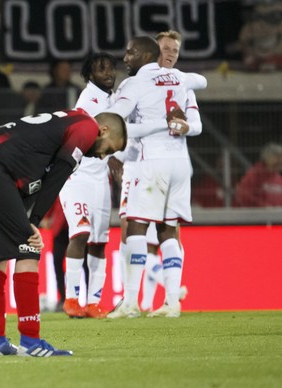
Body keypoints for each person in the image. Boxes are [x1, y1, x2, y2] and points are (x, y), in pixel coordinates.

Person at [0, 109, 127, 356]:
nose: (101, 156)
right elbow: (59, 175)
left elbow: (27, 177)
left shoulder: (62, 124)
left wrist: (27, 217)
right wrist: (33, 220)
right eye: (108, 149)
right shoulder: (87, 126)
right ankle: (30, 341)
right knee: (30, 247)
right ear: (104, 130)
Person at [105, 36, 205, 319]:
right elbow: (202, 84)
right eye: (167, 49)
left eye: (130, 52)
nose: (125, 58)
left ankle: (131, 302)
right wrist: (176, 125)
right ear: (157, 52)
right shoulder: (179, 79)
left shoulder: (135, 83)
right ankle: (172, 302)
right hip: (180, 163)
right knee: (168, 230)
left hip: (151, 163)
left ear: (144, 55)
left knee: (135, 228)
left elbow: (117, 121)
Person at [59, 52, 117, 319]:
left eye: (110, 68)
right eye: (101, 69)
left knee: (99, 243)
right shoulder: (89, 100)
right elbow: (96, 136)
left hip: (100, 180)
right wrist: (116, 157)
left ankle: (93, 302)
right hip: (78, 176)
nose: (108, 72)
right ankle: (71, 299)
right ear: (89, 75)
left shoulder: (113, 98)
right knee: (80, 234)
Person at [235, 142, 282, 207]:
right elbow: (243, 195)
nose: (280, 161)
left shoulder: (278, 178)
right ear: (267, 157)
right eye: (277, 157)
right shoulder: (254, 174)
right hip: (257, 215)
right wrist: (263, 206)